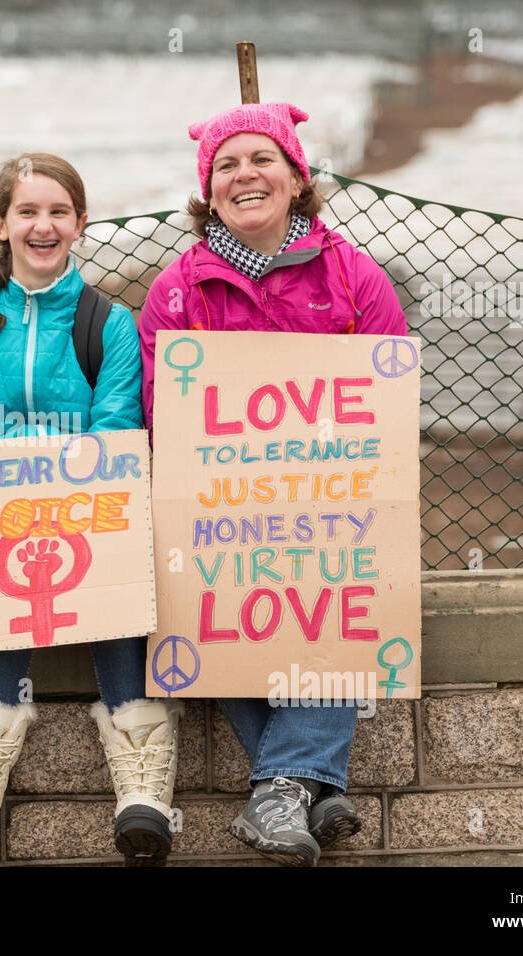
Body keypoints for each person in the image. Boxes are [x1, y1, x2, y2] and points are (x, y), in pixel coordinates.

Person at [137, 103, 408, 866]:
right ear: (208, 188)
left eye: (262, 159)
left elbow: (387, 391)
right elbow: (163, 409)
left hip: (331, 506)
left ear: (296, 177)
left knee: (339, 584)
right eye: (227, 164)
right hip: (221, 507)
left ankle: (283, 788)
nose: (244, 174)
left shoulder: (354, 278)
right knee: (207, 598)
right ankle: (307, 787)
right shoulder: (177, 293)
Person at [0, 153, 182, 867]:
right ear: (0, 225)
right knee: (1, 616)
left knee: (122, 612)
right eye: (27, 211)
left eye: (59, 211)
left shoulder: (108, 325)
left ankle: (144, 794)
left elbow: (120, 428)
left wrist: (72, 506)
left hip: (90, 523)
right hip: (0, 531)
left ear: (81, 224)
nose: (43, 224)